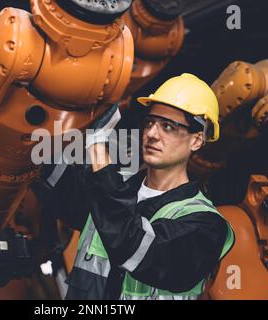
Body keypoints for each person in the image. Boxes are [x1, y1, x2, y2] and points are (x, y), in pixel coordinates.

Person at [38, 73, 235, 300]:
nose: (151, 134)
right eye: (150, 123)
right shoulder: (112, 188)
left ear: (197, 140)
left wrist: (98, 146)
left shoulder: (205, 225)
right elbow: (60, 185)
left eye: (168, 127)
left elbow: (137, 248)